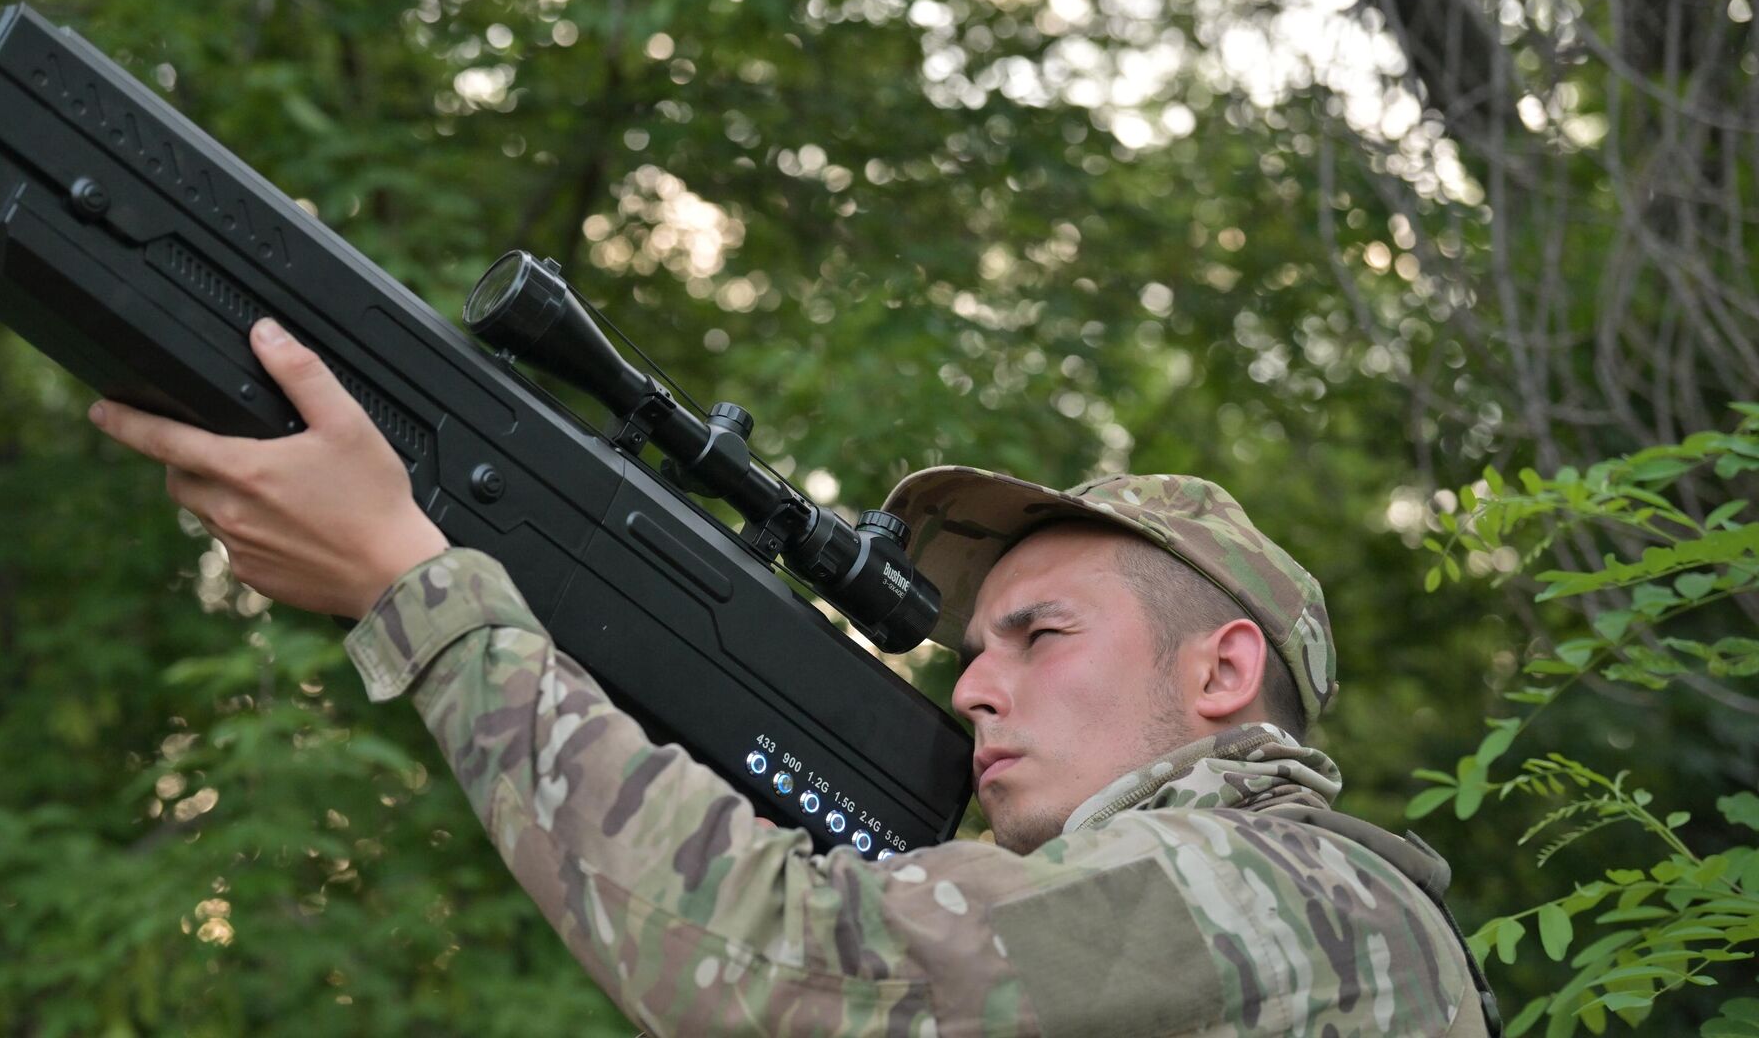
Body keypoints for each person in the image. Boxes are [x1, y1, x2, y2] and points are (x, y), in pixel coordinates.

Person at [92, 318, 1498, 1035]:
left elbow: (795, 961)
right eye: (974, 646)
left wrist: (429, 598)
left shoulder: (1286, 890)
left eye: (1041, 634)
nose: (973, 688)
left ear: (1223, 668)